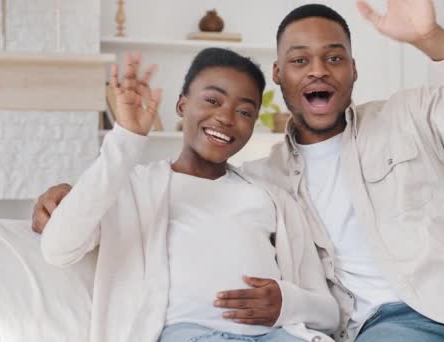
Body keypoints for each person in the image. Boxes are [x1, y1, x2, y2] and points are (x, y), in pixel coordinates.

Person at [34, 1, 444, 341]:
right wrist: (73, 191)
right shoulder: (265, 182)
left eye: (334, 58)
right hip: (391, 326)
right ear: (281, 78)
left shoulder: (407, 119)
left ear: (353, 70)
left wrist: (431, 40)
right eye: (300, 60)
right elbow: (159, 207)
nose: (318, 69)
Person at [39, 48, 338, 342]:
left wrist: (286, 303)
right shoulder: (134, 187)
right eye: (212, 100)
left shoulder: (272, 198)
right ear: (182, 105)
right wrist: (126, 139)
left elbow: (328, 312)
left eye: (244, 111)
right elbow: (57, 247)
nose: (225, 117)